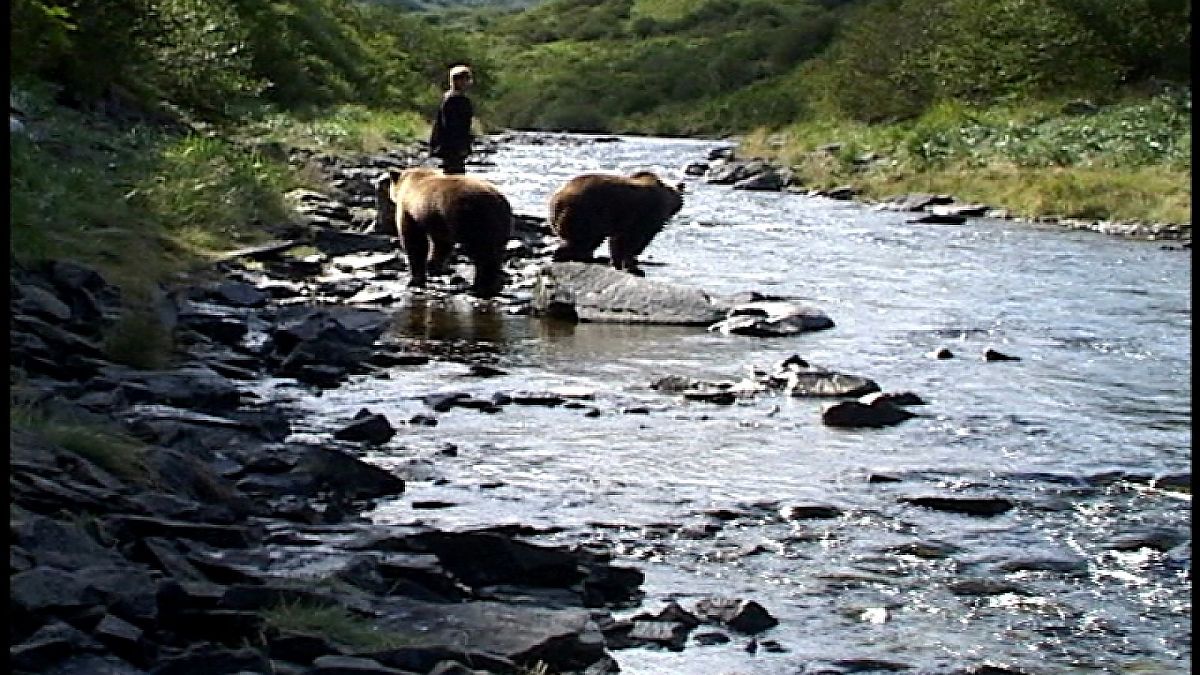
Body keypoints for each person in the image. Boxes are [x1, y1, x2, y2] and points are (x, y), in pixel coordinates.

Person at [429, 65, 475, 175]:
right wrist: (459, 146)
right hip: (451, 147)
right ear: (456, 81)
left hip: (457, 146)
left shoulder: (462, 100)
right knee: (454, 174)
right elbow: (448, 126)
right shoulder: (451, 100)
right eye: (464, 79)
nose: (466, 83)